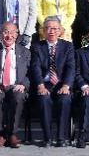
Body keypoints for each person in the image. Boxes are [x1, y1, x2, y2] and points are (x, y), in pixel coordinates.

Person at [29, 17, 75, 147]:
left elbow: (71, 68)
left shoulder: (68, 46)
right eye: (48, 28)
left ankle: (61, 138)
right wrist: (40, 86)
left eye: (55, 28)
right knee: (43, 99)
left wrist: (66, 86)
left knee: (65, 99)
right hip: (44, 84)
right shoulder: (37, 46)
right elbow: (35, 67)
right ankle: (47, 138)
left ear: (60, 31)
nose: (52, 31)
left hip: (61, 84)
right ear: (43, 31)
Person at [0, 22, 30, 148]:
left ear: (17, 35)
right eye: (5, 32)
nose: (9, 36)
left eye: (12, 32)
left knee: (18, 97)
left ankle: (12, 133)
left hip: (16, 86)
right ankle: (1, 134)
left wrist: (24, 85)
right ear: (0, 34)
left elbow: (31, 73)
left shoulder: (25, 52)